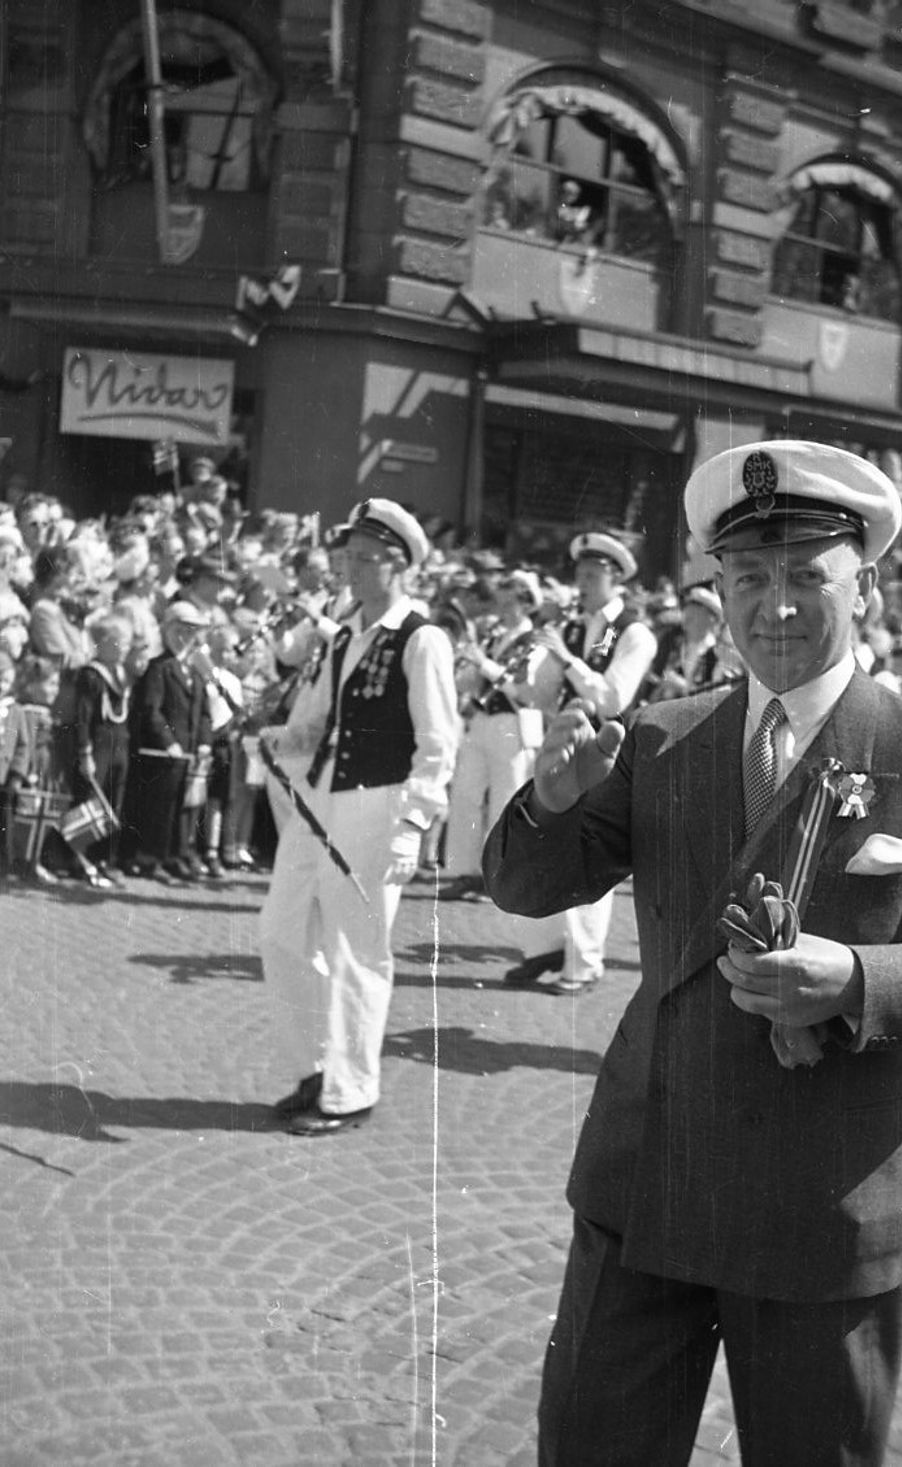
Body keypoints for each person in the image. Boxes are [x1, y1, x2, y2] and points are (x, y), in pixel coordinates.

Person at [484, 439, 902, 1466]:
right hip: (645, 1186)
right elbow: (526, 888)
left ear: (868, 578)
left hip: (820, 1208)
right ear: (715, 586)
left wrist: (855, 980)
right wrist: (548, 799)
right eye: (747, 577)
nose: (776, 606)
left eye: (807, 574)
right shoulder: (663, 737)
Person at [260, 497, 458, 1136]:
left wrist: (415, 822)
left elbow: (438, 740)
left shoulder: (421, 638)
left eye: (364, 560)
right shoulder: (346, 633)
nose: (350, 570)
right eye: (348, 558)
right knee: (280, 933)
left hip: (379, 803)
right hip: (319, 800)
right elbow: (317, 721)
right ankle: (316, 1066)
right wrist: (279, 740)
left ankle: (349, 1091)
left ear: (398, 565)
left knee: (355, 950)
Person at [501, 531, 657, 994]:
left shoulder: (632, 631)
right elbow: (542, 694)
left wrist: (567, 659)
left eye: (592, 576)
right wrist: (523, 670)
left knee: (587, 850)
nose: (582, 584)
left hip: (604, 754)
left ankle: (585, 964)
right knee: (544, 844)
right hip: (558, 748)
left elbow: (612, 697)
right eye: (580, 575)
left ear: (614, 578)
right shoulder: (574, 626)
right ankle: (546, 948)